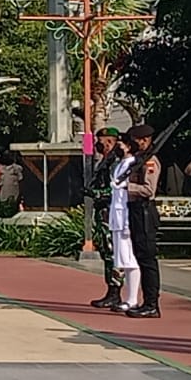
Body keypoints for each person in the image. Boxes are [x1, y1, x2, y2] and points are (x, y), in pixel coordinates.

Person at [122, 124, 162, 318]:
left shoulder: (150, 162)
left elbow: (148, 190)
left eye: (136, 140)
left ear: (144, 140)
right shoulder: (139, 160)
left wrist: (127, 187)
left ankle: (151, 303)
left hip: (145, 212)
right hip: (136, 211)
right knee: (140, 257)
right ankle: (147, 301)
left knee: (147, 260)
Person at [84, 128, 125, 307]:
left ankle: (116, 291)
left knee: (113, 252)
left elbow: (117, 188)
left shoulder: (116, 163)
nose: (97, 145)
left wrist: (96, 193)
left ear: (110, 142)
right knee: (106, 252)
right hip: (102, 211)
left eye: (100, 142)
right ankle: (111, 290)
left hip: (111, 211)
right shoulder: (105, 161)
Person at [107, 139, 140, 314]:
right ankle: (129, 298)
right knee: (122, 260)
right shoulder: (121, 164)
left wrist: (128, 223)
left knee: (130, 260)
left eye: (121, 144)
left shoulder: (133, 164)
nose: (118, 147)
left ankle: (133, 298)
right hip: (117, 218)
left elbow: (128, 197)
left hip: (125, 217)